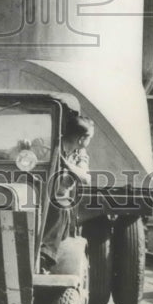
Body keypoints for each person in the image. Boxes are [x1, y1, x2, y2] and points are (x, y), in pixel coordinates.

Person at [40, 113, 95, 271]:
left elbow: (85, 178)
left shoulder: (80, 154)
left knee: (62, 205)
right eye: (89, 137)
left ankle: (45, 255)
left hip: (56, 199)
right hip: (38, 194)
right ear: (81, 139)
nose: (89, 141)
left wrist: (64, 163)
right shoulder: (46, 145)